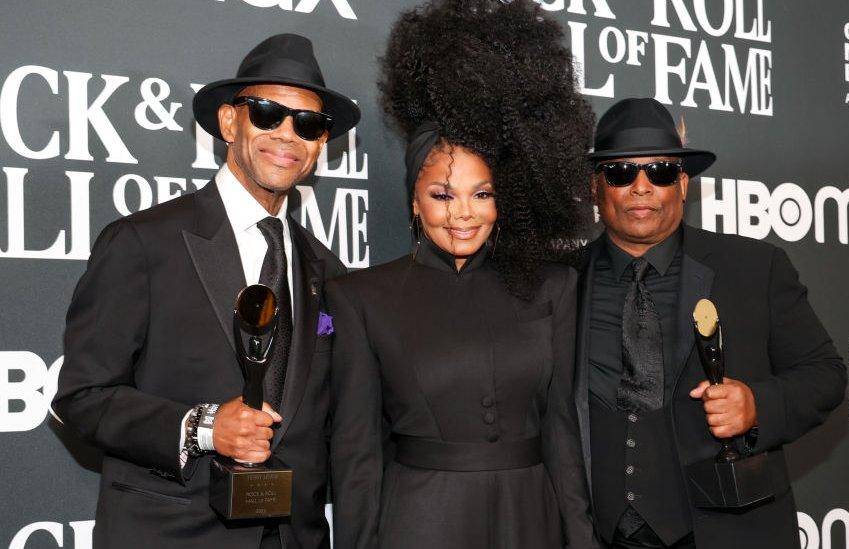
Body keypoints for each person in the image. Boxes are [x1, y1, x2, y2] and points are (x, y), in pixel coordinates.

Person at [52, 34, 359, 548]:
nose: (287, 135)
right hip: (171, 534)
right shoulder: (142, 243)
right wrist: (203, 427)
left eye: (308, 124)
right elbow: (81, 397)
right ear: (228, 121)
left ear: (320, 144)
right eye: (266, 113)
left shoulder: (327, 269)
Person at [326, 1, 600, 548]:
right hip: (420, 522)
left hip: (531, 519)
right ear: (413, 202)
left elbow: (563, 433)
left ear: (507, 199)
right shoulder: (361, 298)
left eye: (482, 193)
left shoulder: (554, 288)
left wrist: (581, 537)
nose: (462, 213)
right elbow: (356, 455)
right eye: (441, 195)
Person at [575, 98, 847, 549]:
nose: (641, 188)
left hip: (726, 531)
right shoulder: (562, 282)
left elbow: (825, 375)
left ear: (682, 184)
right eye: (622, 172)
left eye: (660, 171)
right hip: (598, 534)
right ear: (596, 187)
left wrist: (757, 405)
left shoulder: (756, 268)